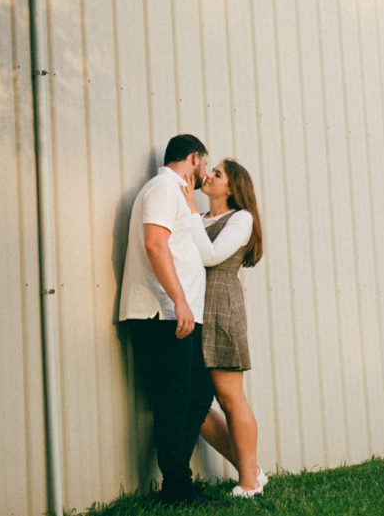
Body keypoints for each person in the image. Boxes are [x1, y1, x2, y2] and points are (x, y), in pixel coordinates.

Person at [118, 134, 220, 506]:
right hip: (161, 313)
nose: (206, 172)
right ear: (194, 158)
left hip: (178, 313)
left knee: (196, 393)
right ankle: (177, 488)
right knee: (175, 399)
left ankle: (177, 481)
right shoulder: (163, 188)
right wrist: (180, 302)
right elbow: (155, 244)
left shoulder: (176, 193)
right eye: (205, 163)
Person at [182, 158, 266, 498]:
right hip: (195, 310)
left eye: (217, 174)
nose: (208, 176)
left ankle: (248, 484)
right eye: (211, 170)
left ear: (231, 188)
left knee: (230, 396)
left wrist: (188, 207)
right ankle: (254, 470)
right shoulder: (200, 219)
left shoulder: (241, 219)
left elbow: (211, 256)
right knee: (193, 404)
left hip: (221, 310)